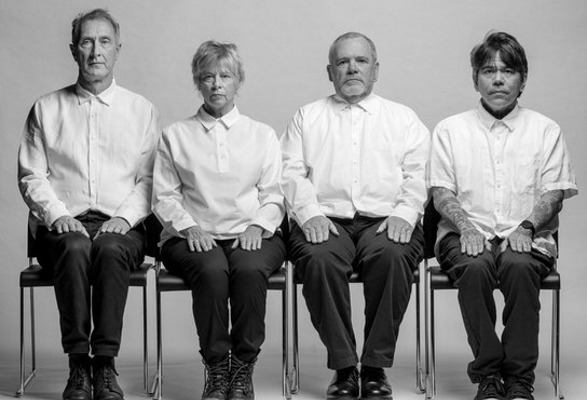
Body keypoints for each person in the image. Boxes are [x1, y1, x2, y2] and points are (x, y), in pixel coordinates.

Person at [17, 9, 160, 400]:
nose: (96, 51)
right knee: (76, 246)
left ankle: (105, 364)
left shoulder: (142, 110)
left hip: (121, 226)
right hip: (62, 227)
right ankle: (79, 365)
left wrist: (125, 218)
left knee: (110, 249)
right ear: (73, 50)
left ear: (117, 49)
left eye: (104, 42)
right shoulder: (46, 108)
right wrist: (58, 216)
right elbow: (31, 176)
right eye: (87, 42)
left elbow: (150, 180)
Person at [429, 31, 577, 400]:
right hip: (462, 233)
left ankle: (519, 379)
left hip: (529, 233)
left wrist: (526, 227)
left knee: (519, 267)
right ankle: (489, 374)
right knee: (475, 266)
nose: (498, 79)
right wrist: (466, 228)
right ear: (475, 78)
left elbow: (554, 192)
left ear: (522, 80)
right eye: (488, 71)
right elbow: (441, 192)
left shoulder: (546, 130)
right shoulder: (450, 129)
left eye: (508, 71)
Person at [281, 32, 430, 399]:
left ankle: (375, 367)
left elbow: (420, 174)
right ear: (330, 71)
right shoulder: (307, 117)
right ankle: (345, 367)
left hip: (386, 219)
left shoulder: (403, 118)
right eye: (343, 62)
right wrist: (309, 214)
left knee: (393, 256)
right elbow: (289, 172)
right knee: (318, 260)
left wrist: (405, 213)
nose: (352, 68)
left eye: (361, 61)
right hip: (326, 220)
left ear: (375, 69)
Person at [152, 40, 286, 400]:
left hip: (252, 232)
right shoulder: (175, 135)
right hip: (190, 236)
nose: (216, 84)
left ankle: (242, 367)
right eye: (208, 76)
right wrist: (189, 227)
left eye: (225, 76)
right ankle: (216, 368)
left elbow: (275, 194)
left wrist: (258, 226)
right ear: (198, 81)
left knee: (249, 269)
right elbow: (163, 196)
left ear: (238, 80)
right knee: (211, 271)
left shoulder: (262, 134)